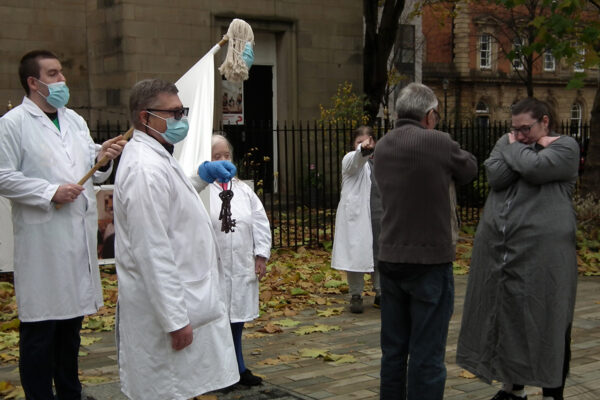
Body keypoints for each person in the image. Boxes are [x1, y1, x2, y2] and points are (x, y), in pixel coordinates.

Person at [0, 49, 126, 400]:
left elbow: (91, 165)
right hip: (42, 241)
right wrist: (49, 191)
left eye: (62, 73)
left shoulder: (74, 120)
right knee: (41, 331)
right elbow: (2, 176)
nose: (62, 81)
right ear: (33, 82)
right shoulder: (12, 124)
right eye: (54, 74)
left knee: (71, 327)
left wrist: (102, 160)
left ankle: (70, 392)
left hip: (76, 240)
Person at [113, 79, 239, 399]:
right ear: (145, 117)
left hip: (187, 296)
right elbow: (152, 250)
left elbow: (173, 204)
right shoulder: (144, 168)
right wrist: (175, 319)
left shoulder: (157, 156)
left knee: (190, 384)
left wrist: (201, 177)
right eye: (173, 112)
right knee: (169, 388)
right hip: (169, 309)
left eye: (182, 111)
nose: (181, 119)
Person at [456, 98, 580, 400]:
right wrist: (526, 152)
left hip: (546, 258)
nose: (519, 134)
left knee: (549, 321)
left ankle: (553, 391)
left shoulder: (566, 147)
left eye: (526, 129)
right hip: (504, 254)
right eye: (515, 129)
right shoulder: (510, 140)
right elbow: (496, 176)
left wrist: (515, 150)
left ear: (545, 122)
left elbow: (536, 170)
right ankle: (512, 388)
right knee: (509, 316)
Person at [373, 82, 477, 400]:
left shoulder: (383, 145)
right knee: (427, 353)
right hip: (430, 260)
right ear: (430, 115)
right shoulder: (439, 143)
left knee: (393, 351)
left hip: (390, 257)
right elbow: (470, 169)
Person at [208, 134, 271, 386]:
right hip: (215, 265)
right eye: (216, 156)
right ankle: (218, 372)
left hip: (241, 263)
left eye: (226, 156)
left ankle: (238, 367)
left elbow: (260, 222)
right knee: (216, 318)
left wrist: (261, 255)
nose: (223, 161)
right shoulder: (203, 191)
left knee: (236, 318)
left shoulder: (244, 190)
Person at [331, 126, 381, 313]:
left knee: (380, 254)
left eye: (368, 141)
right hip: (358, 217)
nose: (363, 144)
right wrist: (363, 150)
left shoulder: (382, 162)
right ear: (354, 145)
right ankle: (356, 295)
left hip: (380, 214)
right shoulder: (350, 160)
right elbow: (356, 160)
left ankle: (380, 293)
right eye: (358, 142)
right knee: (356, 257)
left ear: (375, 142)